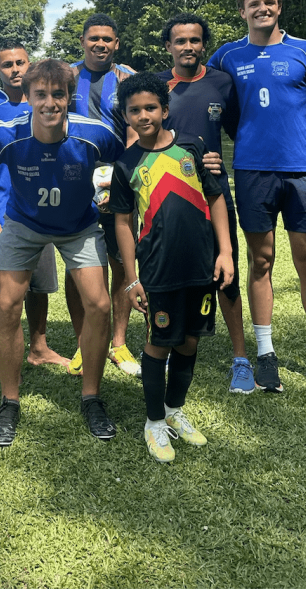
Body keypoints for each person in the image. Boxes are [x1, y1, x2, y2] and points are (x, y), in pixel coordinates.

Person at [0, 59, 123, 446]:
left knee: (99, 305)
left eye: (58, 94)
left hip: (79, 227)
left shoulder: (95, 133)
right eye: (41, 95)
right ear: (28, 97)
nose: (50, 102)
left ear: (69, 97)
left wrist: (109, 198)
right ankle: (9, 401)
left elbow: (124, 158)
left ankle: (91, 397)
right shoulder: (7, 133)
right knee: (7, 305)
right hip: (24, 225)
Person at [208, 0, 306, 397]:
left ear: (279, 6)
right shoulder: (227, 56)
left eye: (269, 2)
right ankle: (266, 356)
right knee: (261, 261)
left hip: (304, 171)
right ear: (242, 11)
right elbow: (207, 101)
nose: (262, 9)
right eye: (254, 4)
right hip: (253, 172)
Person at [110, 73, 234, 463]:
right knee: (159, 342)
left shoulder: (193, 148)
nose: (143, 115)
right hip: (157, 270)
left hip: (200, 266)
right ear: (126, 115)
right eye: (134, 110)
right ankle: (153, 422)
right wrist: (131, 279)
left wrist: (226, 252)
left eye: (150, 108)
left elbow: (215, 200)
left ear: (165, 110)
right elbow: (122, 223)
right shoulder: (126, 163)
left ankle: (174, 410)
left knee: (190, 341)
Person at [155, 12, 254, 393]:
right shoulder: (157, 86)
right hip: (167, 197)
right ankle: (164, 349)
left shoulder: (222, 83)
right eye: (180, 41)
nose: (188, 47)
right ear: (169, 47)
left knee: (226, 275)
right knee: (169, 275)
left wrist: (218, 158)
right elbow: (140, 138)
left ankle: (241, 360)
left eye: (195, 40)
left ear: (203, 46)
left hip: (213, 192)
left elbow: (239, 131)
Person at [0, 42, 69, 367]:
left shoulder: (46, 103)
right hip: (4, 215)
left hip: (42, 211)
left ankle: (39, 348)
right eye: (7, 64)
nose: (15, 69)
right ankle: (8, 358)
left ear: (30, 65)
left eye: (20, 62)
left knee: (39, 288)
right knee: (8, 295)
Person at [65, 14, 141, 378]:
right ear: (82, 41)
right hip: (73, 179)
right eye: (93, 38)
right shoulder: (66, 75)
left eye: (107, 39)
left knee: (122, 261)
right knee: (75, 262)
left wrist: (120, 176)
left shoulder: (127, 77)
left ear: (116, 44)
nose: (100, 44)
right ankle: (83, 341)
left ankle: (119, 343)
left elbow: (136, 127)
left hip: (118, 179)